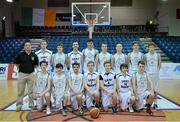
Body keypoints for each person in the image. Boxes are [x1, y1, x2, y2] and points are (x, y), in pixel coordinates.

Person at [14, 41, 38, 112]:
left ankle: (31, 105)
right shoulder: (20, 54)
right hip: (22, 74)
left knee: (31, 91)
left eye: (29, 45)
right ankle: (19, 105)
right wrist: (20, 69)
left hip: (31, 74)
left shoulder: (34, 55)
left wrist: (30, 69)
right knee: (20, 91)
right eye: (26, 45)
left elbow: (36, 65)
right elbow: (16, 63)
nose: (27, 47)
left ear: (31, 47)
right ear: (24, 47)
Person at [145, 42, 161, 109]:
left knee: (155, 89)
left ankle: (155, 103)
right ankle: (147, 102)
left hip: (155, 74)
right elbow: (145, 64)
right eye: (150, 47)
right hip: (148, 74)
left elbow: (159, 64)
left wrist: (157, 71)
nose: (151, 48)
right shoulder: (145, 55)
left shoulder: (158, 55)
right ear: (148, 48)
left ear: (154, 47)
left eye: (153, 47)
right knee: (147, 89)